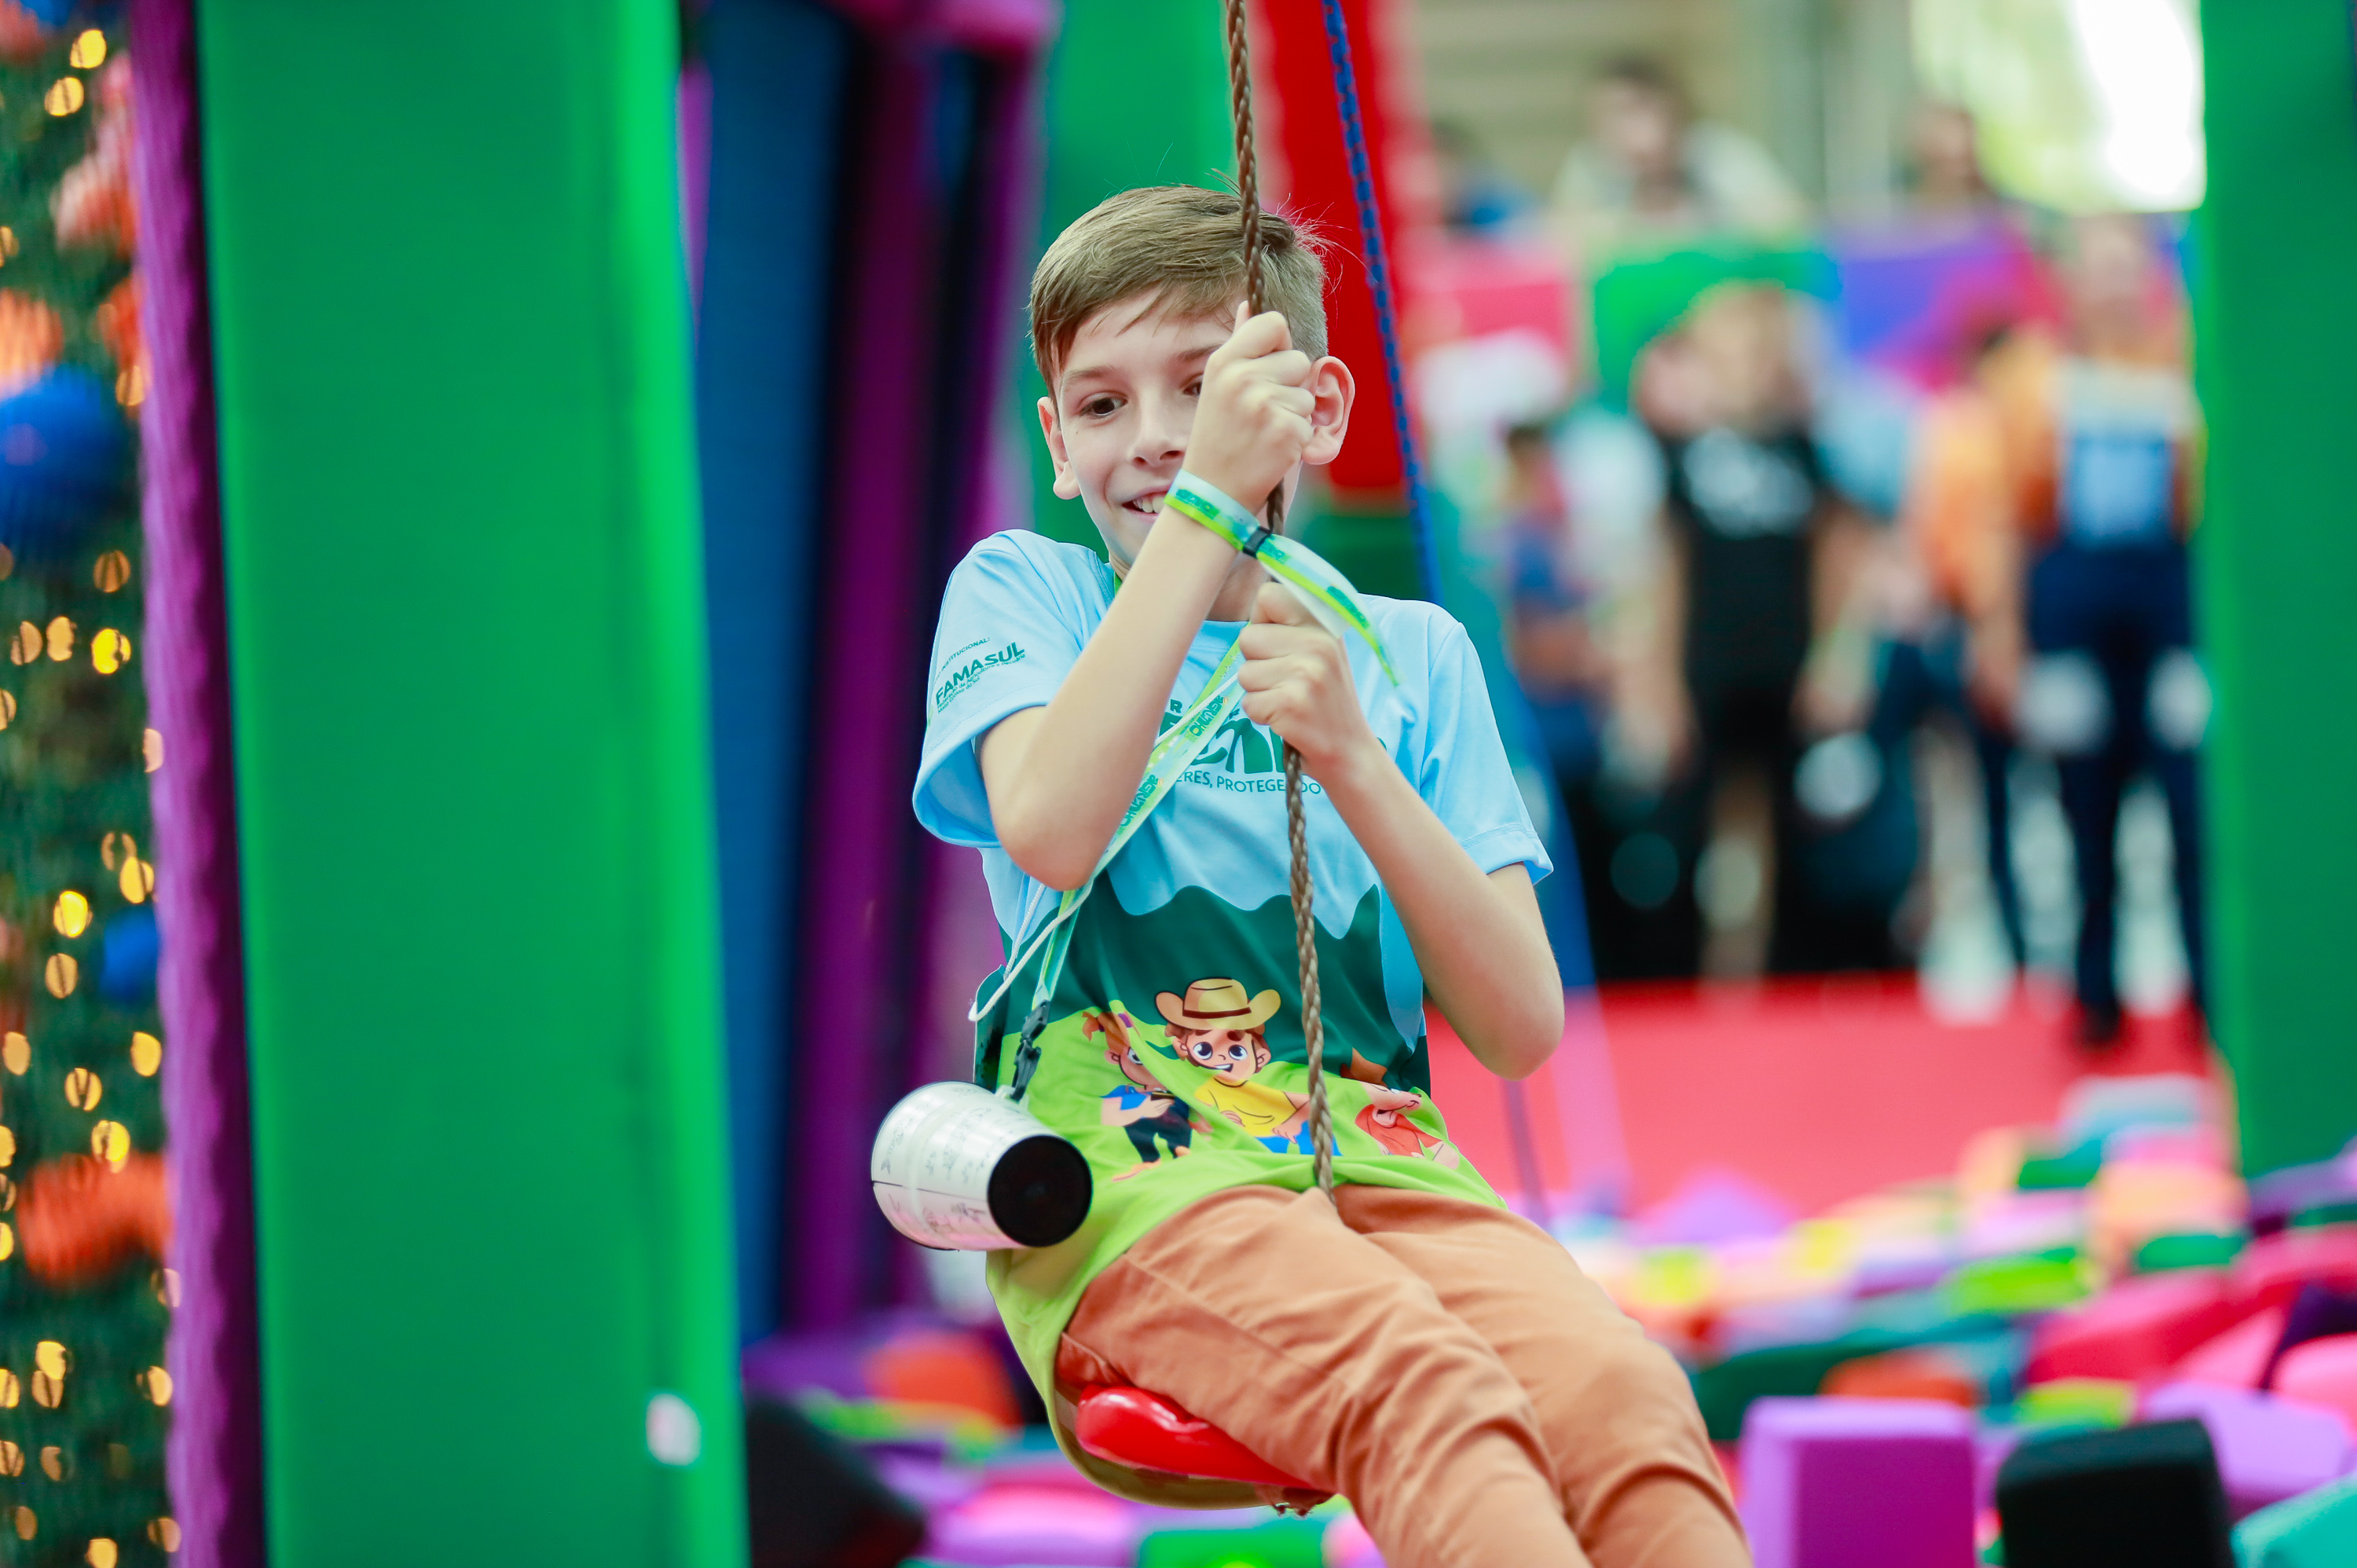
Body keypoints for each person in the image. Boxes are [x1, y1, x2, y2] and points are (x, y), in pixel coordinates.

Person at [915, 186, 1747, 1567]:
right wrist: (1209, 507)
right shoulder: (1027, 595)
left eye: (1204, 389)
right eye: (1106, 404)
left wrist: (1355, 757)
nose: (1160, 436)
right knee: (1425, 1384)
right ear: (1056, 442)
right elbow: (1050, 827)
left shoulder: (1407, 652)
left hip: (1383, 1165)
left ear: (1315, 407)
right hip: (1143, 1185)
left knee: (1623, 1398)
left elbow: (1518, 1023)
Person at [1981, 216, 2205, 1045]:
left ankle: (2207, 993)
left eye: (2126, 267)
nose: (2113, 285)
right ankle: (2094, 995)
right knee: (2084, 804)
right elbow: (2005, 517)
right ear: (2068, 280)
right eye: (2097, 267)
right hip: (2071, 614)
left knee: (2190, 803)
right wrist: (2004, 633)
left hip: (2169, 608)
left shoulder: (2189, 362)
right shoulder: (2030, 378)